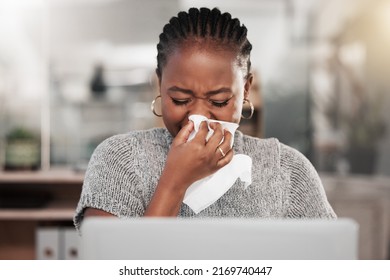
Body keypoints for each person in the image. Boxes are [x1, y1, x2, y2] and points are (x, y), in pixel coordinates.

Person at [74, 7, 336, 230]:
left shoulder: (287, 170)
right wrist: (174, 182)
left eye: (219, 101)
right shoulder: (120, 160)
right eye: (180, 99)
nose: (197, 117)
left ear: (245, 90)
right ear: (160, 84)